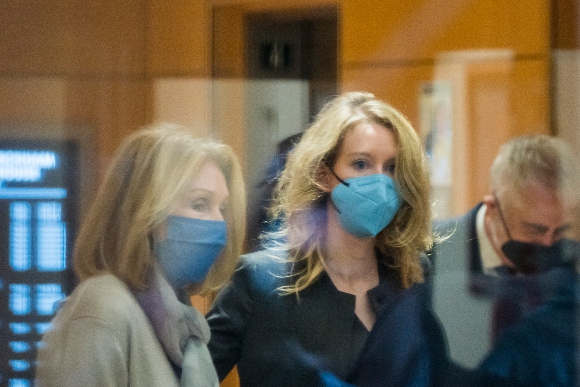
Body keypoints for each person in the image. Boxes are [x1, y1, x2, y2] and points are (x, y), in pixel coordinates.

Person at [206, 91, 442, 386]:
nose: (381, 181)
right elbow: (192, 377)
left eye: (392, 168)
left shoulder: (414, 274)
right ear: (323, 175)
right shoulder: (258, 280)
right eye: (360, 164)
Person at [35, 124, 246, 386]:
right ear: (146, 214)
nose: (219, 222)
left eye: (222, 208)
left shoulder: (183, 327)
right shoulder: (102, 308)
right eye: (200, 204)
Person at [430, 134, 580, 370]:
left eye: (560, 231)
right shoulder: (427, 257)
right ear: (493, 208)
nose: (548, 244)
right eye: (534, 230)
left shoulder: (573, 265)